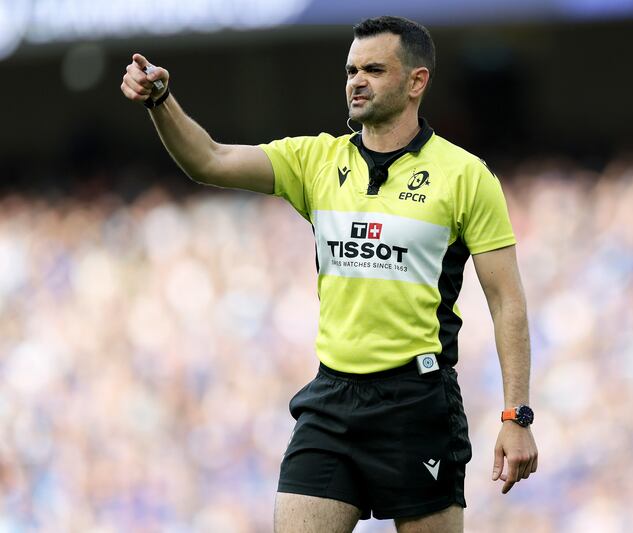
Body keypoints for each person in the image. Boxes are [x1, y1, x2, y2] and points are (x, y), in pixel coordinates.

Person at [120, 15, 537, 533]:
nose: (356, 81)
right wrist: (162, 102)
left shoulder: (466, 176)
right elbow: (210, 160)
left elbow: (506, 301)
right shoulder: (316, 159)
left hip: (417, 403)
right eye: (350, 70)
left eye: (373, 69)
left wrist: (515, 415)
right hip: (332, 401)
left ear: (416, 81)